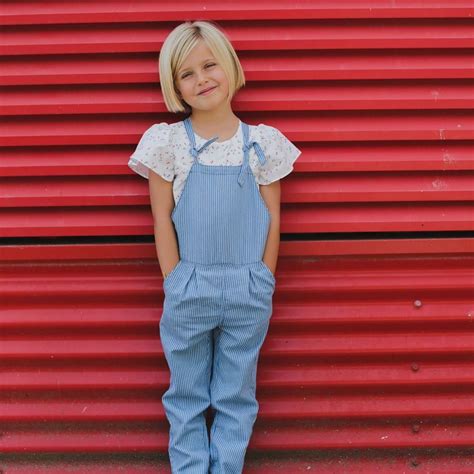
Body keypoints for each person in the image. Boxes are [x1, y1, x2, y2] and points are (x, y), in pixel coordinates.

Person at [128, 19, 302, 474]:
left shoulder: (262, 143)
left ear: (230, 67)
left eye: (210, 65)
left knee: (235, 394)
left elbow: (272, 217)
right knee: (185, 394)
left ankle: (226, 468)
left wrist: (263, 275)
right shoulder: (168, 143)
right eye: (187, 73)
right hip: (190, 286)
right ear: (175, 86)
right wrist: (175, 278)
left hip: (249, 286)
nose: (202, 78)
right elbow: (161, 218)